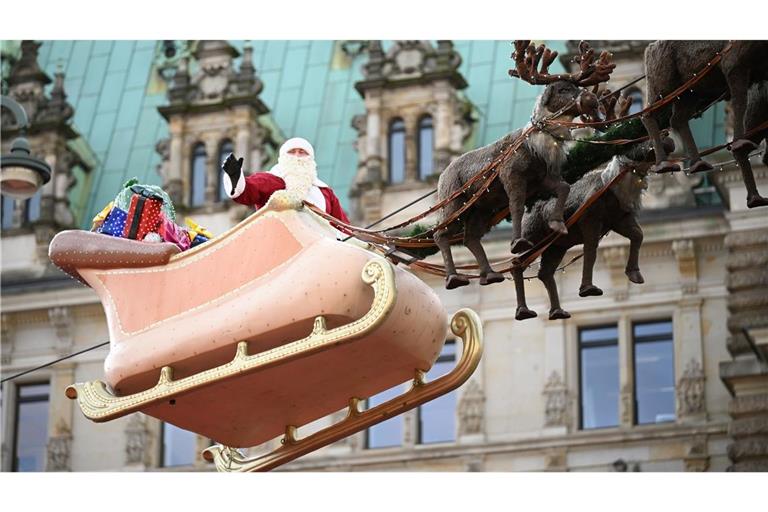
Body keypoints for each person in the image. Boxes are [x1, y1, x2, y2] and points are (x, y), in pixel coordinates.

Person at [221, 137, 350, 223]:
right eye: (292, 152)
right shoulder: (273, 181)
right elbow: (249, 189)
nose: (297, 156)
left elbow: (343, 226)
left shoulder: (324, 192)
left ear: (311, 158)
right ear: (283, 157)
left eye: (302, 152)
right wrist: (235, 176)